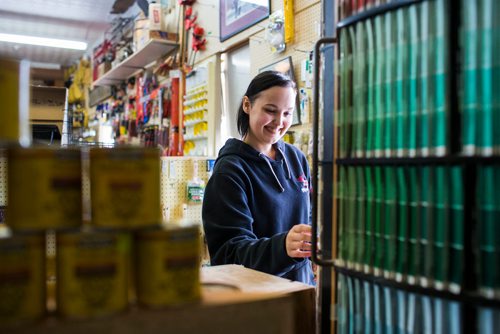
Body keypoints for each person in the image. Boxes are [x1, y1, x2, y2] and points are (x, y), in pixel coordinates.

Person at [202, 71, 315, 285]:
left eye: (287, 113)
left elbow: (308, 217)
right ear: (247, 105)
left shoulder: (296, 158)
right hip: (258, 300)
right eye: (270, 111)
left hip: (301, 289)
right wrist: (283, 247)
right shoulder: (230, 172)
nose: (279, 122)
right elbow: (230, 254)